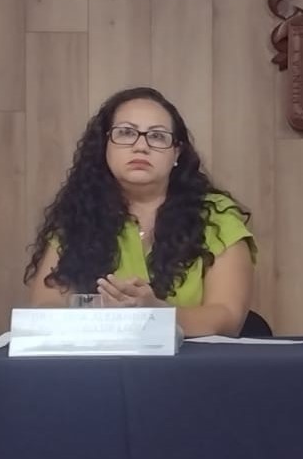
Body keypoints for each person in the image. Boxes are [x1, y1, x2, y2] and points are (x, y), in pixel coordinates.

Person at [25, 87, 255, 337]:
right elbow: (45, 308)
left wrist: (158, 313)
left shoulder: (216, 216)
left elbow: (227, 317)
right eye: (126, 133)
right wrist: (101, 314)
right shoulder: (78, 214)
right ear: (105, 146)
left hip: (191, 360)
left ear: (176, 153)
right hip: (99, 358)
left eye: (157, 136)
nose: (141, 146)